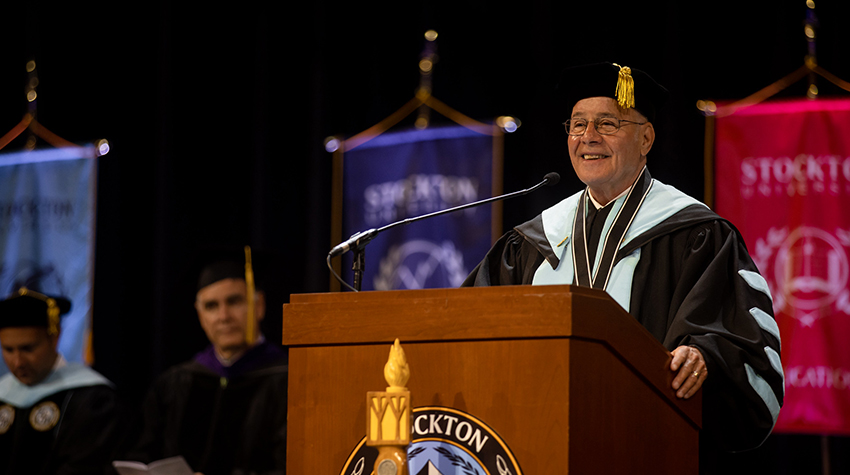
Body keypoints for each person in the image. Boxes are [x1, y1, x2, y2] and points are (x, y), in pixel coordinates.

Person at [463, 62, 784, 472]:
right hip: (535, 446)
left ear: (646, 138)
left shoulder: (695, 233)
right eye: (577, 125)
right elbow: (472, 329)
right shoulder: (530, 242)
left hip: (648, 447)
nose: (588, 138)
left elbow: (738, 335)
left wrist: (705, 355)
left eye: (607, 124)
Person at [126, 247, 288, 475]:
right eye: (211, 306)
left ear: (258, 305)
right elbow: (141, 456)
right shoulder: (174, 384)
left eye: (234, 302)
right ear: (200, 314)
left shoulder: (286, 380)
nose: (223, 316)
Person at [0, 287, 124, 475]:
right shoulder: (3, 392)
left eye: (28, 348)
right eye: (8, 350)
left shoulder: (92, 400)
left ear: (55, 337)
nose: (18, 362)